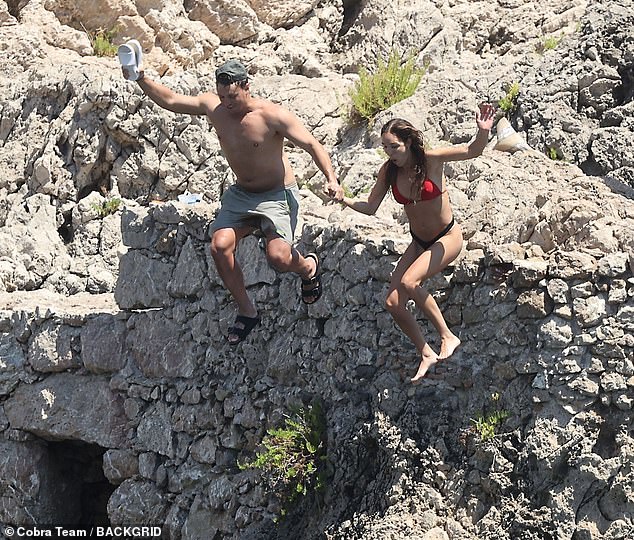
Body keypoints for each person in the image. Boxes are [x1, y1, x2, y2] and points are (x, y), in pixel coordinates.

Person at [122, 59, 340, 344]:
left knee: (278, 258)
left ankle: (308, 268)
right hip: (241, 195)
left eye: (232, 96)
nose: (226, 103)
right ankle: (247, 311)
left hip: (277, 195)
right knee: (219, 245)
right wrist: (140, 77)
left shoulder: (271, 115)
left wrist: (331, 178)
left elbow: (312, 144)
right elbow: (172, 100)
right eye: (222, 96)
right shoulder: (215, 108)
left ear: (246, 87)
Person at [334, 104, 495, 382]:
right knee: (393, 302)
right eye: (385, 148)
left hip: (447, 237)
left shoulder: (431, 160)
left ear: (408, 142)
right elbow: (371, 206)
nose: (390, 153)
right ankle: (426, 352)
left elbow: (472, 151)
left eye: (393, 147)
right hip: (419, 242)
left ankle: (447, 336)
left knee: (410, 283)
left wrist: (482, 132)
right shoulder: (389, 172)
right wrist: (343, 199)